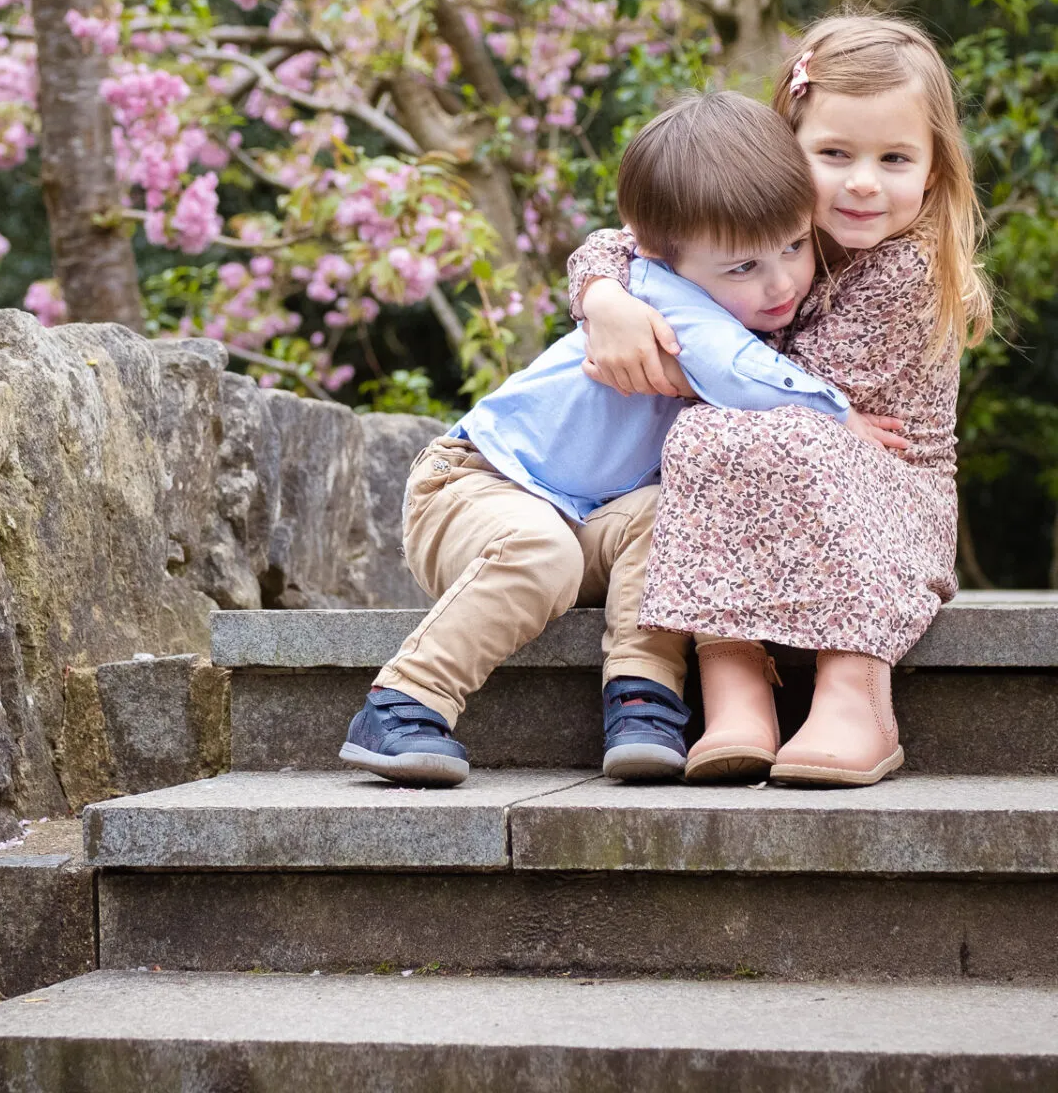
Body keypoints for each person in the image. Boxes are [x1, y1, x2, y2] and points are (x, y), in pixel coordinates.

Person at [340, 91, 904, 789]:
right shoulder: (664, 293)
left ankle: (644, 699)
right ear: (659, 253)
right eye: (743, 267)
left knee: (677, 520)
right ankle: (403, 702)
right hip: (477, 484)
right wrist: (837, 414)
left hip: (586, 514)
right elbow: (740, 376)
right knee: (537, 549)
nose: (781, 281)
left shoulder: (724, 283)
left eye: (793, 246)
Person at [568, 12, 992, 788]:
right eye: (835, 154)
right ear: (785, 157)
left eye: (895, 158)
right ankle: (736, 688)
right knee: (705, 439)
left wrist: (680, 302)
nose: (864, 182)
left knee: (745, 431)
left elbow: (765, 384)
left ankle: (853, 693)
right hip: (767, 469)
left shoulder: (908, 269)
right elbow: (634, 237)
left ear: (932, 171)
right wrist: (604, 296)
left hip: (892, 498)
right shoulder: (775, 228)